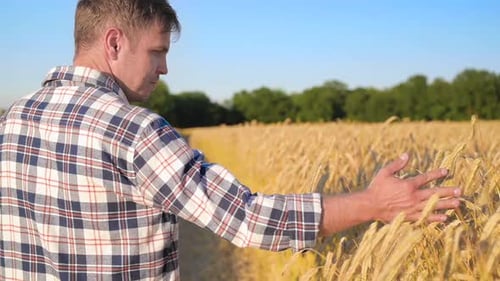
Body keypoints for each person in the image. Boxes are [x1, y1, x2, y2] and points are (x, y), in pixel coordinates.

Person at [0, 0, 461, 280]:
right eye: (157, 51)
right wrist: (374, 205)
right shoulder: (135, 130)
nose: (164, 69)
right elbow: (250, 219)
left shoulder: (13, 120)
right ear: (115, 43)